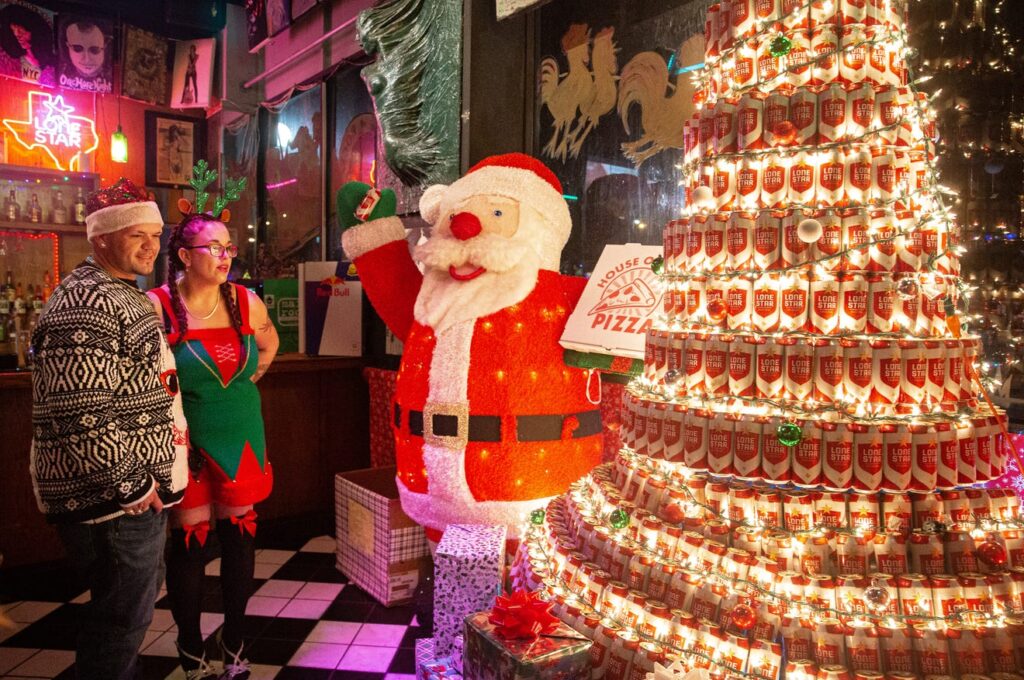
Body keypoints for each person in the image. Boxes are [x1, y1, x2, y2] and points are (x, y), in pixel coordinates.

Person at [30, 178, 189, 680]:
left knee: (125, 615)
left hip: (129, 496)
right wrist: (132, 483)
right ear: (100, 238)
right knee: (119, 621)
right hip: (115, 502)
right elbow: (79, 410)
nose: (151, 244)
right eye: (135, 234)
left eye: (155, 233)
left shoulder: (117, 292)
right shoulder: (88, 301)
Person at [148, 211, 278, 679]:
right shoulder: (156, 306)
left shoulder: (246, 302)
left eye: (229, 248)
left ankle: (236, 638)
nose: (225, 257)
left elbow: (269, 344)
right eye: (214, 248)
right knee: (190, 542)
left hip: (241, 431)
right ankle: (189, 644)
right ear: (184, 256)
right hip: (185, 441)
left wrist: (250, 380)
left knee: (240, 537)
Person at [0, 3, 55, 84]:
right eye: (13, 30)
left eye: (21, 31)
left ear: (33, 30)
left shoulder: (50, 65)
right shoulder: (11, 60)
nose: (17, 35)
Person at [58, 19, 112, 93]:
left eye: (94, 50)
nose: (86, 59)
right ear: (67, 46)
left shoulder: (112, 76)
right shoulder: (61, 71)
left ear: (105, 47)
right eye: (77, 48)